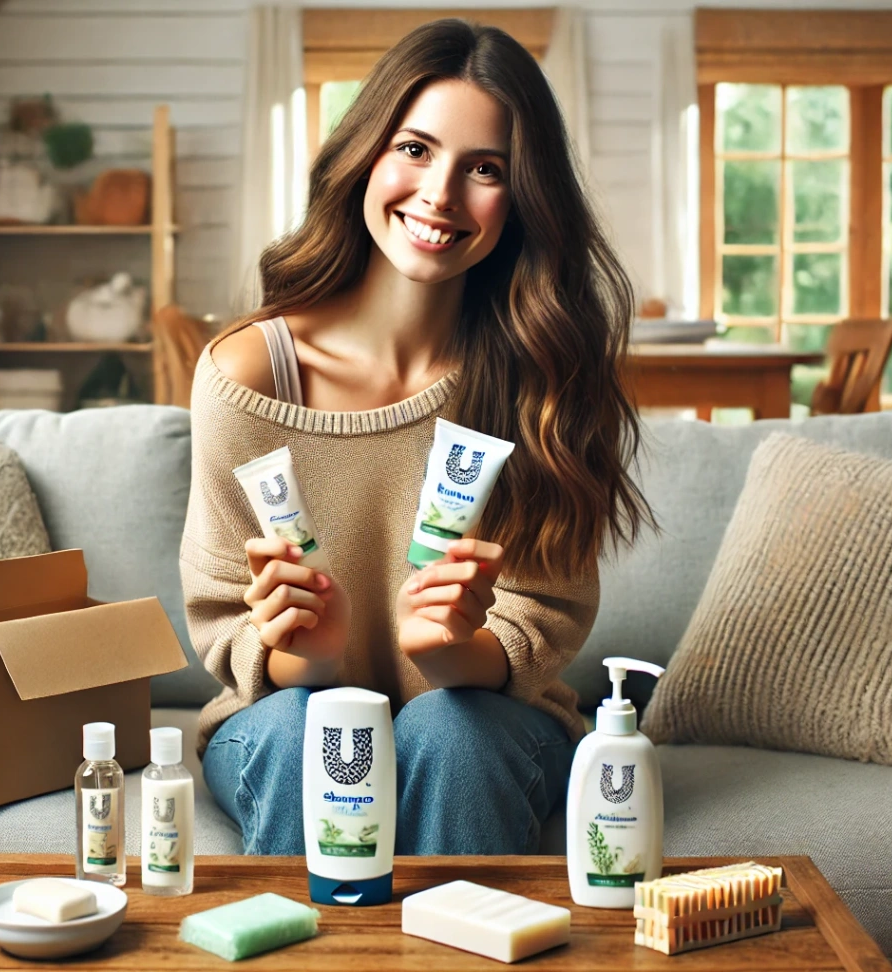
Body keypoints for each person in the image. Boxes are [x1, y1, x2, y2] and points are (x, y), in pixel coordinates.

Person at [182, 18, 650, 855]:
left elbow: (541, 626)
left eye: (485, 169)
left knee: (454, 736)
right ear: (365, 154)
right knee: (305, 733)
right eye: (415, 149)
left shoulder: (542, 378)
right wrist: (311, 656)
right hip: (285, 712)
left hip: (485, 715)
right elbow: (231, 632)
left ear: (522, 198)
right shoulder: (249, 375)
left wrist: (450, 651)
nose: (439, 194)